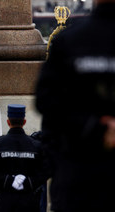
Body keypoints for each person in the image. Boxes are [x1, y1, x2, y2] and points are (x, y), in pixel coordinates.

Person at [35, 0, 115, 211]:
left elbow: (47, 101)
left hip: (76, 174)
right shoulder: (69, 39)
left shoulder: (68, 39)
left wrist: (94, 127)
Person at [0, 104, 48, 212]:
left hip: (4, 200)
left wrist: (8, 181)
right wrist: (28, 182)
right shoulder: (36, 146)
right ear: (24, 122)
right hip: (29, 201)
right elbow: (46, 170)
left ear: (8, 122)